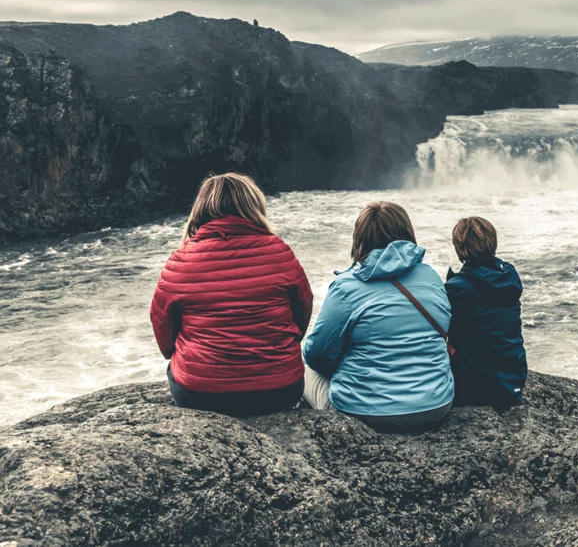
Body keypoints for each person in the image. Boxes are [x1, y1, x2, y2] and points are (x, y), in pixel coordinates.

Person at [149, 173, 313, 416]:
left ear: (201, 209)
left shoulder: (182, 260)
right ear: (253, 206)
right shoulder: (279, 252)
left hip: (201, 394)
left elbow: (163, 329)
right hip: (279, 390)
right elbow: (302, 313)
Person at [302, 201, 454, 431]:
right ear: (407, 234)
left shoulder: (347, 286)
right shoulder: (431, 277)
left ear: (360, 238)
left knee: (300, 367)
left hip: (365, 414)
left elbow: (317, 355)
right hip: (436, 405)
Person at [445, 216, 527, 408]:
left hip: (478, 388)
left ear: (459, 248)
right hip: (513, 380)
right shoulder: (508, 275)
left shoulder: (459, 288)